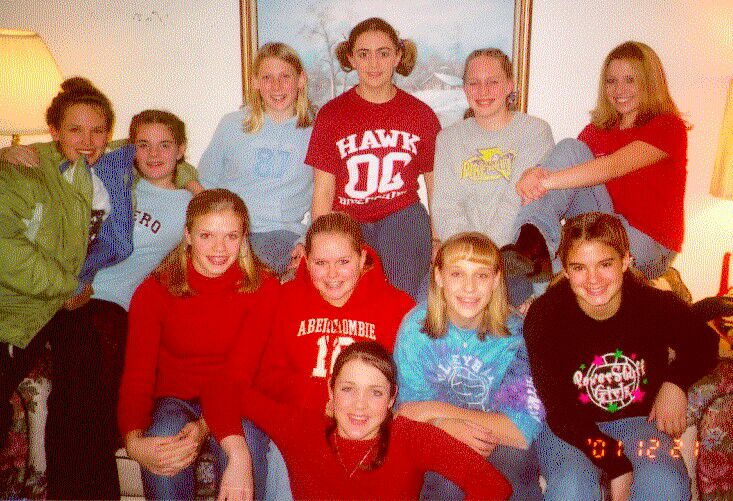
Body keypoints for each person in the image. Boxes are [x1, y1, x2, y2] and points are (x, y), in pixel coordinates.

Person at [0, 77, 137, 499]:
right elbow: (5, 248)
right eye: (75, 130)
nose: (87, 140)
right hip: (20, 303)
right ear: (54, 131)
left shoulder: (107, 168)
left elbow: (160, 152)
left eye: (98, 130)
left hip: (68, 305)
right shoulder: (26, 170)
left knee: (86, 395)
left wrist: (187, 177)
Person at [523, 212, 718, 501]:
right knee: (571, 488)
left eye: (605, 264)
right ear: (565, 270)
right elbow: (560, 411)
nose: (593, 280)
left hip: (638, 424)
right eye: (579, 267)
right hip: (570, 432)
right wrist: (616, 463)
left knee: (666, 483)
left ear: (625, 261)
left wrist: (675, 382)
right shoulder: (545, 316)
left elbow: (705, 342)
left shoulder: (652, 304)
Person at [118, 189, 279, 500]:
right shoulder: (154, 291)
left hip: (238, 399)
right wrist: (134, 442)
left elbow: (239, 375)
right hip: (175, 398)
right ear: (188, 235)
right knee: (165, 440)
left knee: (247, 443)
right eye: (207, 235)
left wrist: (205, 427)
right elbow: (138, 375)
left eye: (231, 236)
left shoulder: (264, 287)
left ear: (244, 238)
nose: (219, 248)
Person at [203, 340, 513, 501]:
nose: (359, 405)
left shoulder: (410, 437)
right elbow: (219, 388)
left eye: (375, 393)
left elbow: (492, 486)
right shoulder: (302, 428)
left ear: (391, 399)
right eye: (348, 389)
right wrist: (238, 455)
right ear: (331, 391)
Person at [515, 41, 688, 280]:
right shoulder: (597, 130)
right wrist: (533, 173)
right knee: (570, 148)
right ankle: (531, 242)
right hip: (602, 229)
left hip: (646, 243)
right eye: (611, 81)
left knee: (566, 263)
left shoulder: (667, 126)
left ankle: (535, 255)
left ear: (649, 82)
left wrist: (543, 181)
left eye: (630, 80)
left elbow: (614, 166)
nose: (619, 89)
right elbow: (565, 165)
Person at [394, 232, 544, 500]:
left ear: (496, 280)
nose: (469, 288)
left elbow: (520, 431)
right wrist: (444, 426)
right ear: (439, 277)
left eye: (481, 275)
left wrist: (439, 413)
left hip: (499, 443)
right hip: (438, 436)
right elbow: (408, 415)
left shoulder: (516, 337)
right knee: (446, 485)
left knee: (511, 479)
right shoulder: (415, 330)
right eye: (457, 274)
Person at [304, 17, 441, 300]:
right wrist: (318, 244)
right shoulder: (331, 115)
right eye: (364, 54)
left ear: (398, 56)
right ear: (351, 59)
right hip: (348, 220)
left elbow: (435, 185)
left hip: (401, 215)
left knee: (398, 297)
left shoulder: (421, 115)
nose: (374, 63)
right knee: (352, 296)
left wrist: (438, 237)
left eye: (384, 53)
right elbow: (323, 190)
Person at [256, 212, 415, 413]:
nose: (332, 274)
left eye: (343, 262)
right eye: (321, 263)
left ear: (361, 258)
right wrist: (319, 398)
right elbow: (265, 375)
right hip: (297, 419)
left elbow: (406, 386)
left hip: (366, 420)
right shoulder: (283, 300)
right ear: (307, 261)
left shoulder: (399, 307)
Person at [431, 48, 554, 305]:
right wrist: (469, 263)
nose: (483, 91)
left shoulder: (534, 131)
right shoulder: (448, 139)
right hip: (460, 261)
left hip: (514, 261)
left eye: (493, 82)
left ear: (510, 85)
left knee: (497, 319)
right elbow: (445, 207)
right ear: (464, 88)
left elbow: (515, 203)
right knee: (427, 311)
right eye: (474, 83)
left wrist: (484, 263)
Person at [191, 42, 314, 275]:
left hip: (283, 236)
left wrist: (307, 239)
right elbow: (204, 186)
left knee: (296, 279)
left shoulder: (317, 131)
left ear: (301, 80)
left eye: (285, 76)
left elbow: (323, 198)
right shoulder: (232, 125)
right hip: (230, 233)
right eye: (267, 78)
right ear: (255, 82)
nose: (276, 86)